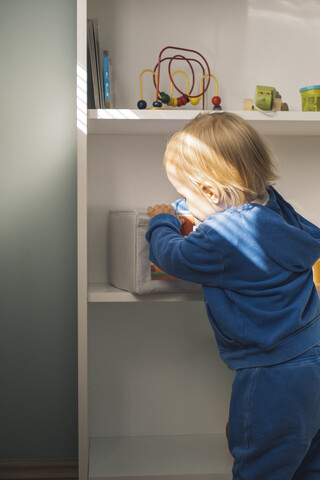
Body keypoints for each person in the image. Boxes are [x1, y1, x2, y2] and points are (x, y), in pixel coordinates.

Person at [145, 112, 320, 480]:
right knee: (307, 463)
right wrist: (190, 209)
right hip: (313, 357)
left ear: (211, 193)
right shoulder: (277, 208)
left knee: (261, 465)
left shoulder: (222, 237)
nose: (183, 204)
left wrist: (163, 219)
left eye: (184, 196)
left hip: (272, 373)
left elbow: (173, 256)